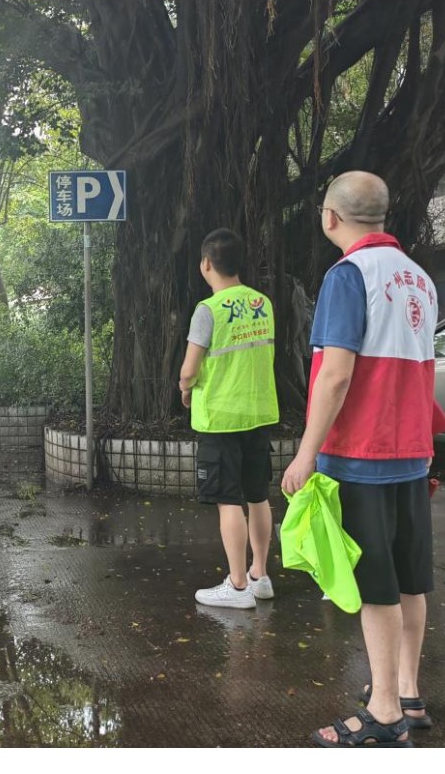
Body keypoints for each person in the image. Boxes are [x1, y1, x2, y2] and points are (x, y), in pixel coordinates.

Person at [284, 172, 445, 748]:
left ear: (330, 217)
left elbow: (335, 374)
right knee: (409, 578)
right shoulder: (419, 278)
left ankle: (383, 714)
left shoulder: (348, 275)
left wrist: (305, 454)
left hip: (361, 454)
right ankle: (408, 693)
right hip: (412, 452)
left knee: (375, 583)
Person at [182, 229, 281, 610]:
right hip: (258, 414)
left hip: (221, 419)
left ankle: (238, 587)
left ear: (206, 263)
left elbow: (190, 369)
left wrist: (185, 388)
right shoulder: (262, 303)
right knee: (258, 497)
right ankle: (260, 576)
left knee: (228, 502)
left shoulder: (208, 310)